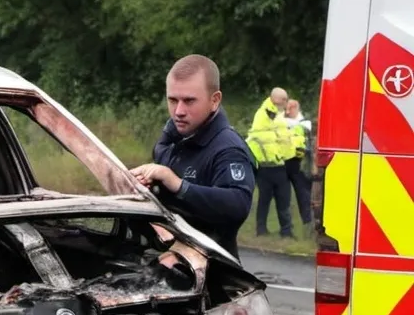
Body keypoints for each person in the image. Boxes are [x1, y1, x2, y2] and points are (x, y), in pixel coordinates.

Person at [130, 54, 255, 259]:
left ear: (214, 100)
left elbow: (238, 204)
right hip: (162, 260)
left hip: (211, 274)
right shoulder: (174, 138)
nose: (178, 111)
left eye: (189, 101)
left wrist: (179, 185)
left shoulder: (228, 149)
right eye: (173, 100)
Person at [246, 87, 295, 238]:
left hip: (279, 165)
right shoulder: (265, 114)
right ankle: (262, 230)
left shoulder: (277, 115)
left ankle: (285, 231)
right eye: (284, 99)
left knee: (283, 199)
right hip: (266, 166)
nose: (286, 102)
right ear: (275, 99)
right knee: (265, 200)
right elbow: (262, 138)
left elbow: (283, 138)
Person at [283, 97, 313, 229]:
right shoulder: (283, 122)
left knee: (303, 193)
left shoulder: (305, 124)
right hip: (284, 161)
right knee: (284, 195)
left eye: (290, 108)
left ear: (295, 108)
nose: (287, 111)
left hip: (299, 162)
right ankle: (287, 226)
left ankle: (307, 221)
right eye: (286, 108)